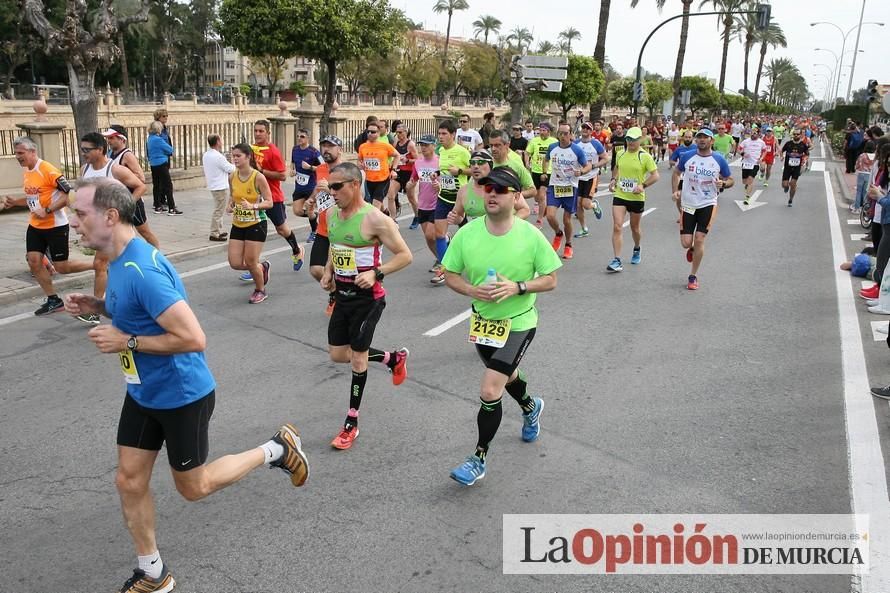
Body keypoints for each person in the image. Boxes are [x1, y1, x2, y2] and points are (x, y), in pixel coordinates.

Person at [63, 178, 309, 593]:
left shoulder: (143, 270)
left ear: (110, 216)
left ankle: (277, 449)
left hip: (181, 395)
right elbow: (135, 311)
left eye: (80, 214)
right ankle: (153, 573)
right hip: (142, 391)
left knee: (194, 488)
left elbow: (194, 338)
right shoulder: (119, 260)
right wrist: (99, 307)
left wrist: (127, 341)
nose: (73, 224)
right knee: (129, 480)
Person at [441, 167, 562, 486]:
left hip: (519, 321)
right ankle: (530, 406)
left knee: (490, 388)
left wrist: (518, 287)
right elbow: (449, 273)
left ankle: (478, 458)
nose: (491, 193)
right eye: (487, 188)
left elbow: (551, 280)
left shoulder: (530, 235)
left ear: (515, 196)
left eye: (499, 189)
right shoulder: (468, 234)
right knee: (506, 376)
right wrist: (471, 290)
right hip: (483, 321)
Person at [320, 162, 413, 450]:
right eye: (329, 186)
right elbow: (336, 248)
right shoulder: (331, 215)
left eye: (337, 187)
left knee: (358, 359)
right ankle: (392, 359)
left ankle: (351, 423)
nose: (331, 192)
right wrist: (328, 271)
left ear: (355, 185)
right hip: (343, 296)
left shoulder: (375, 219)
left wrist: (377, 272)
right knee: (338, 355)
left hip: (368, 299)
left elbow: (405, 255)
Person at [1, 137, 99, 316]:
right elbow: (34, 198)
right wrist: (15, 202)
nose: (17, 156)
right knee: (34, 261)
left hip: (55, 226)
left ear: (32, 152)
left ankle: (96, 265)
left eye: (21, 153)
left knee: (61, 267)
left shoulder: (47, 169)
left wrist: (48, 210)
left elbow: (68, 193)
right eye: (16, 153)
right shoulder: (28, 172)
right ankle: (53, 299)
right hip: (36, 226)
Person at [672, 129, 733, 290]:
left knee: (699, 238)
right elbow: (677, 172)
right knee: (686, 243)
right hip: (689, 204)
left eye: (705, 137)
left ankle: (693, 276)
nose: (701, 140)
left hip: (708, 203)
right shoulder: (687, 156)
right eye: (699, 137)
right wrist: (676, 190)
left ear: (711, 141)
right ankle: (692, 248)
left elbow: (730, 179)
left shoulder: (718, 159)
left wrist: (724, 183)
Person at [247, 119, 305, 274]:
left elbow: (282, 176)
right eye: (256, 130)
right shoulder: (251, 149)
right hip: (255, 197)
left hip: (272, 197)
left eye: (261, 131)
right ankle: (254, 266)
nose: (257, 134)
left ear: (268, 133)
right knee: (254, 230)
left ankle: (297, 249)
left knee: (281, 229)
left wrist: (261, 171)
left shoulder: (273, 151)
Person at [607, 126, 659, 272]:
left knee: (634, 228)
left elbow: (655, 175)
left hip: (636, 197)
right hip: (621, 194)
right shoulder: (621, 154)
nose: (630, 142)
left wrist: (643, 185)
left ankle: (637, 248)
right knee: (617, 226)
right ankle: (617, 260)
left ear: (640, 140)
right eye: (628, 139)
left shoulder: (644, 156)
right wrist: (613, 179)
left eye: (634, 140)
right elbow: (617, 168)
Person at [226, 143, 273, 304]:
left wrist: (253, 206)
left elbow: (269, 202)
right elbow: (233, 195)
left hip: (256, 224)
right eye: (233, 156)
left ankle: (260, 290)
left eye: (238, 156)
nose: (235, 159)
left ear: (248, 157)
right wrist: (230, 204)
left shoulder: (258, 177)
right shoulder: (232, 176)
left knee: (251, 261)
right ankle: (262, 267)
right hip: (238, 223)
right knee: (235, 263)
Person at [430, 119, 471, 285]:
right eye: (439, 134)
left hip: (459, 199)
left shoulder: (462, 152)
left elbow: (476, 170)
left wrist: (460, 171)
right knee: (438, 234)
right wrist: (437, 174)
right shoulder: (441, 151)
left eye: (444, 134)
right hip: (443, 196)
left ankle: (468, 260)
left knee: (465, 235)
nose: (441, 137)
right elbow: (446, 169)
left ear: (453, 135)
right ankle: (443, 269)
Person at [308, 135, 345, 316]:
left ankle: (343, 298)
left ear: (340, 149)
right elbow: (318, 191)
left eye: (331, 146)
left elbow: (353, 197)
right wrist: (311, 201)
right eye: (324, 146)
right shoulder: (320, 169)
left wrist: (330, 189)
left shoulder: (347, 171)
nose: (326, 149)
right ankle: (334, 293)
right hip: (323, 228)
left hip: (341, 228)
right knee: (316, 270)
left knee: (339, 270)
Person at [542, 123, 591, 260]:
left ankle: (568, 245)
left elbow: (587, 166)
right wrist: (545, 172)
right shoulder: (552, 148)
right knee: (550, 216)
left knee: (566, 219)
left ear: (570, 135)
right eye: (560, 133)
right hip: (554, 186)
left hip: (570, 187)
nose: (563, 136)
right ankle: (558, 233)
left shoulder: (577, 150)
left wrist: (581, 171)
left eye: (565, 133)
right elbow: (546, 160)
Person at [448, 149, 530, 225]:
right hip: (477, 238)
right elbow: (459, 216)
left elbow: (525, 210)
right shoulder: (463, 191)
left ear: (490, 165)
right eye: (472, 162)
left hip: (502, 235)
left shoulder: (503, 186)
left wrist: (507, 224)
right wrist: (456, 219)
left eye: (481, 162)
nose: (476, 166)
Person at [406, 135, 441, 274]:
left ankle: (446, 238)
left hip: (437, 203)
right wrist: (409, 185)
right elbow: (413, 179)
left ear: (434, 145)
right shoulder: (418, 163)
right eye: (422, 145)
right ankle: (440, 259)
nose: (423, 148)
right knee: (429, 238)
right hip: (423, 204)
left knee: (431, 235)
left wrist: (440, 186)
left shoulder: (440, 162)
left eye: (426, 145)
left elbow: (448, 181)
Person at [573, 121, 609, 238]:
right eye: (583, 128)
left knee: (586, 204)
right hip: (578, 178)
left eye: (588, 128)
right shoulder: (576, 143)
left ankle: (594, 205)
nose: (585, 130)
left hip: (591, 177)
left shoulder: (596, 144)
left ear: (591, 131)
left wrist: (594, 166)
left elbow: (605, 158)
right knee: (578, 204)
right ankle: (584, 228)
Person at [289, 128, 323, 242]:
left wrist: (310, 167)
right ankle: (314, 216)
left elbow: (324, 167)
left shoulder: (314, 152)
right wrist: (292, 170)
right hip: (299, 187)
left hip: (311, 188)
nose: (299, 138)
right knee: (297, 211)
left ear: (308, 138)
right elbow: (292, 163)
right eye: (298, 136)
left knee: (309, 209)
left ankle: (314, 231)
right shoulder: (295, 149)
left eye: (302, 136)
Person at [357, 121, 400, 212]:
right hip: (369, 180)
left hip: (382, 180)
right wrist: (360, 165)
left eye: (373, 132)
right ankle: (385, 212)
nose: (370, 134)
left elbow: (397, 155)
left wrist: (393, 170)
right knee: (376, 204)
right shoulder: (362, 147)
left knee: (374, 208)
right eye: (368, 132)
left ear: (378, 133)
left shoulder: (385, 146)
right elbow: (359, 160)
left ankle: (379, 224)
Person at [202, 134, 236, 242]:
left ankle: (218, 230)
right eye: (221, 140)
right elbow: (231, 169)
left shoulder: (206, 155)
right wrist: (233, 161)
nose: (222, 142)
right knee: (219, 210)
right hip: (220, 186)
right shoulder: (218, 156)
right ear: (217, 142)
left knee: (219, 208)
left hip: (213, 185)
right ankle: (214, 232)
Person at [526, 122, 558, 227]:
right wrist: (527, 163)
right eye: (540, 130)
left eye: (544, 130)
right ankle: (542, 207)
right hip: (535, 170)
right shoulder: (534, 141)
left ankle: (539, 219)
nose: (541, 132)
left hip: (547, 171)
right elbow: (527, 153)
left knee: (541, 195)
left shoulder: (554, 142)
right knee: (536, 196)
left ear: (548, 131)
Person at [387, 122, 419, 226]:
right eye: (397, 133)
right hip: (399, 172)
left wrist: (407, 160)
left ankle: (417, 216)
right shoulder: (396, 142)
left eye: (400, 132)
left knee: (411, 197)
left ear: (406, 132)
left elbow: (417, 160)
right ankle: (393, 219)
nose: (399, 135)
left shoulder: (410, 144)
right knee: (391, 195)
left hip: (409, 173)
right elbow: (393, 155)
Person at [147, 121, 180, 215]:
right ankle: (172, 208)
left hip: (153, 164)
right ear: (158, 129)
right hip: (162, 163)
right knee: (168, 186)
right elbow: (170, 149)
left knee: (156, 185)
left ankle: (157, 206)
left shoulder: (149, 139)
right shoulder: (159, 139)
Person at [780, 128, 809, 207]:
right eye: (794, 134)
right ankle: (786, 187)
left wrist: (804, 160)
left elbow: (807, 154)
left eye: (797, 134)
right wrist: (781, 156)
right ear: (793, 135)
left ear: (800, 135)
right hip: (787, 167)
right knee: (784, 185)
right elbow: (781, 150)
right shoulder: (788, 143)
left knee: (793, 184)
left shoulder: (803, 145)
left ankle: (790, 199)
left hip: (797, 168)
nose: (796, 135)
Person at [737, 128, 766, 205]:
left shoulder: (761, 142)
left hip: (755, 164)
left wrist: (761, 158)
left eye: (755, 133)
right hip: (746, 163)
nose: (753, 134)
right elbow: (739, 149)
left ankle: (747, 197)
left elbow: (765, 151)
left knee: (750, 180)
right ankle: (747, 184)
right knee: (744, 181)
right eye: (752, 133)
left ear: (759, 134)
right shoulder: (746, 141)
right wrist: (743, 154)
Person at [852, 142, 876, 214]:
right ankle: (864, 208)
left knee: (859, 191)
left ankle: (856, 208)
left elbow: (857, 164)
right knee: (866, 192)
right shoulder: (875, 157)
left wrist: (857, 168)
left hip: (861, 174)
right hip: (870, 175)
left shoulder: (862, 155)